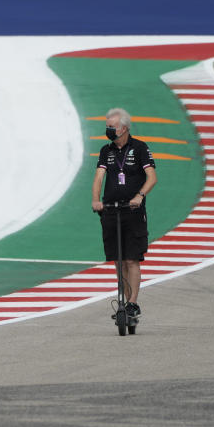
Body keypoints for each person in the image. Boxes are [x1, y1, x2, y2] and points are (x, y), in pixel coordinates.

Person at [91, 107, 157, 319]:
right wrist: (96, 200)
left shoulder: (139, 148)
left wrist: (140, 196)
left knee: (131, 259)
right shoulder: (106, 151)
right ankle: (124, 303)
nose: (108, 130)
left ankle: (132, 303)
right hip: (111, 210)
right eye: (107, 126)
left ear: (125, 128)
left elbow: (152, 177)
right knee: (118, 260)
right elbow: (99, 177)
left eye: (112, 127)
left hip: (133, 211)